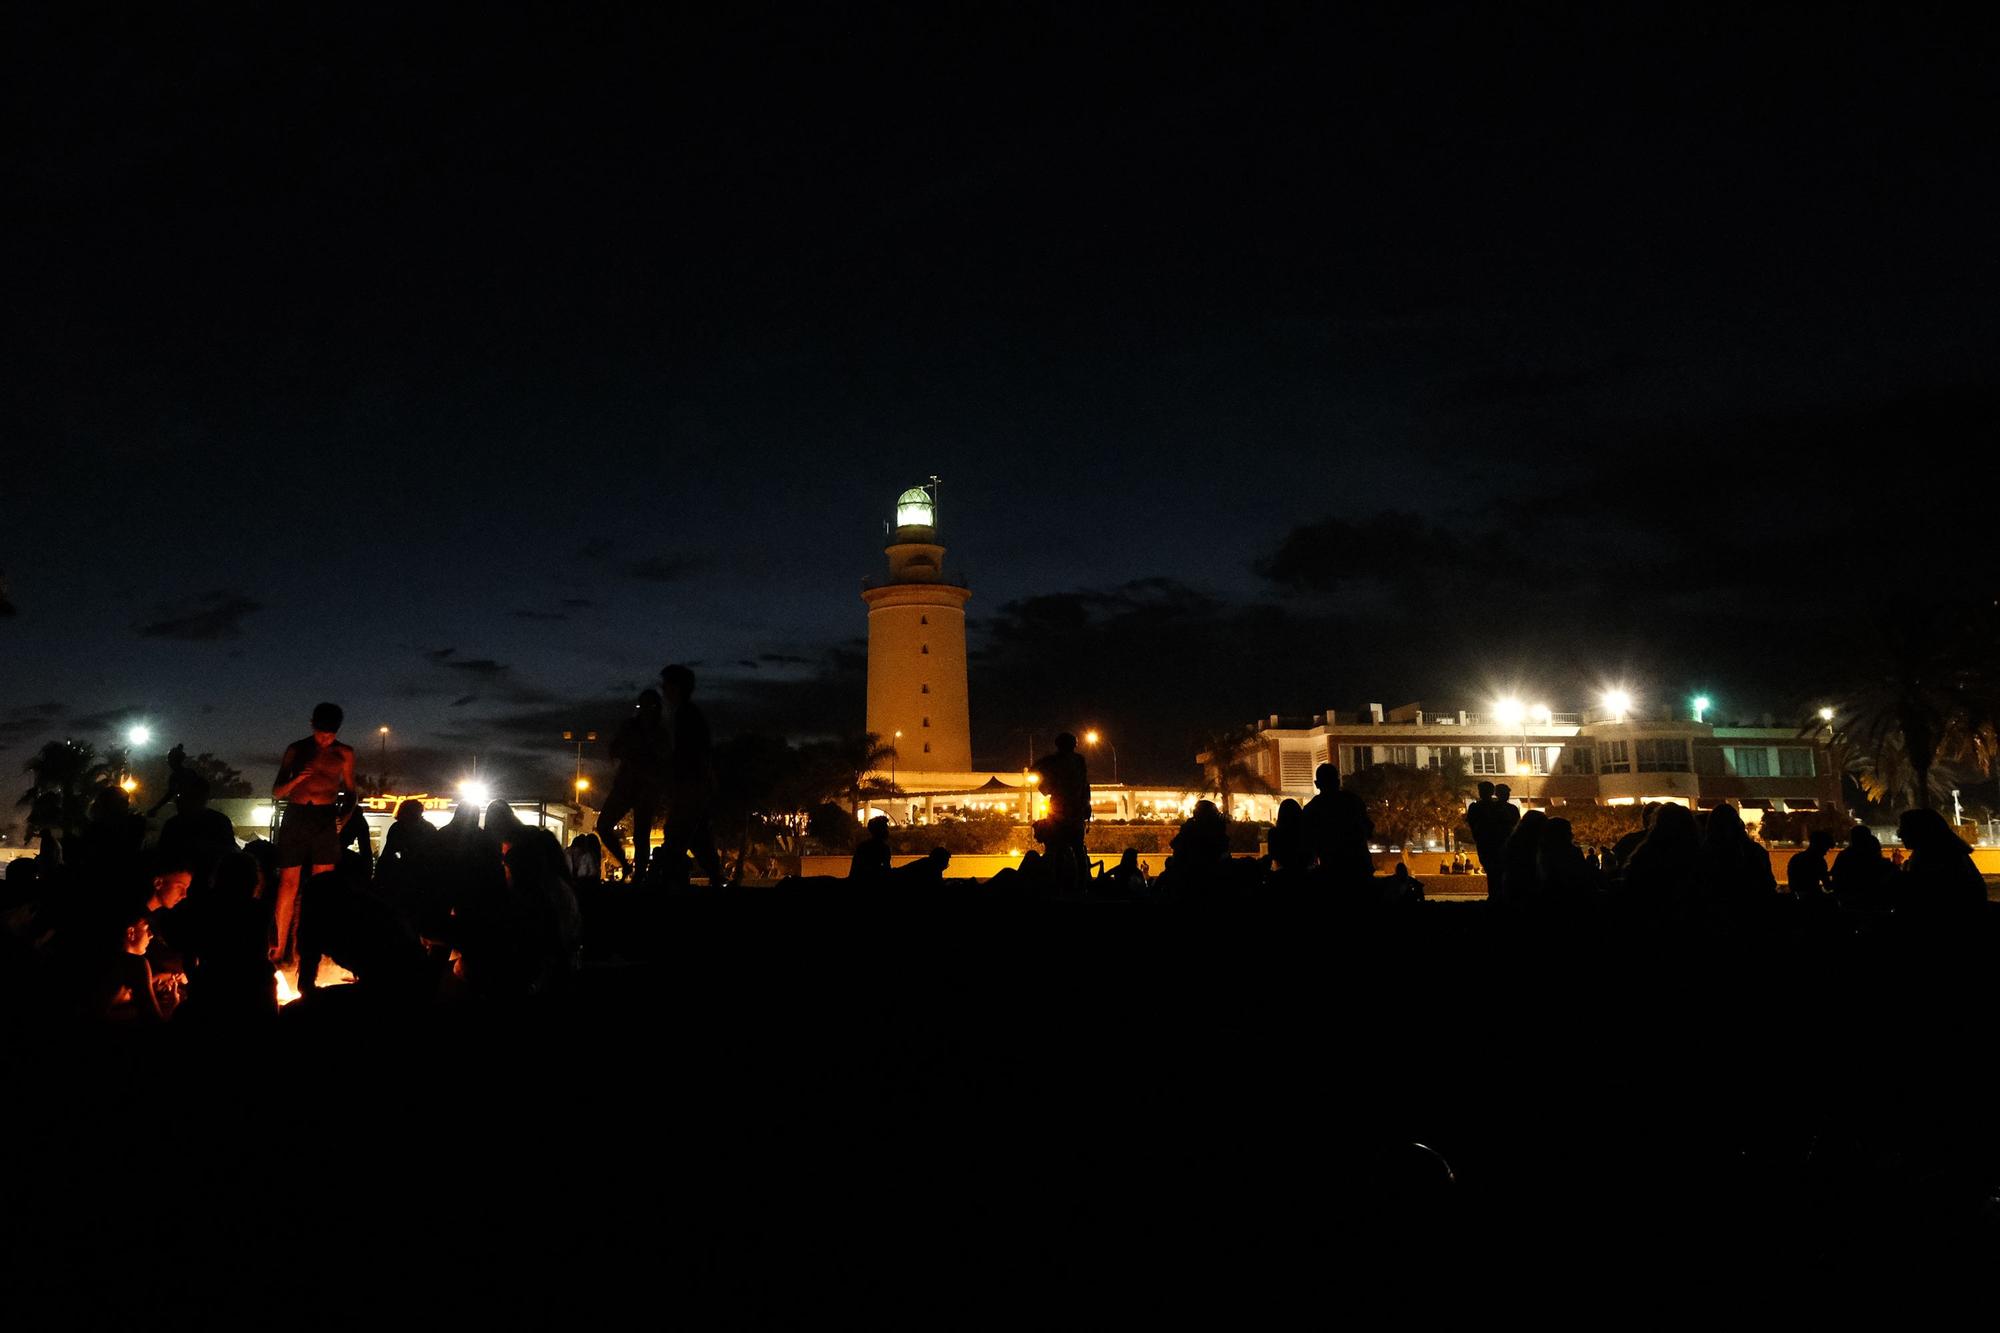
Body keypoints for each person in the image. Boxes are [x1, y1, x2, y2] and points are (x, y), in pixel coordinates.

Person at [270, 703, 355, 965]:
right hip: (297, 815)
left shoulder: (345, 753)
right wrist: (297, 779)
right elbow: (277, 791)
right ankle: (277, 949)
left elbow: (351, 792)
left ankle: (313, 952)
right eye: (321, 734)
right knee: (288, 884)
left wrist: (343, 817)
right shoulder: (297, 749)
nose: (325, 739)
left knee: (323, 887)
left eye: (330, 735)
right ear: (312, 726)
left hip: (325, 817)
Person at [657, 665, 728, 887]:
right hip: (695, 784)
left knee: (677, 833)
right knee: (697, 837)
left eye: (666, 684)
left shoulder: (685, 714)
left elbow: (690, 752)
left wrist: (679, 780)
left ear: (676, 687)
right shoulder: (688, 713)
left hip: (691, 784)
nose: (663, 689)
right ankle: (716, 878)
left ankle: (667, 881)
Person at [598, 689, 667, 878]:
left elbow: (665, 760)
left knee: (641, 835)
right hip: (626, 784)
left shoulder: (660, 733)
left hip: (647, 787)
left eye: (650, 706)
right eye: (642, 706)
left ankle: (639, 877)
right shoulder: (630, 726)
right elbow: (615, 748)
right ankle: (627, 865)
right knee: (604, 825)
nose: (645, 710)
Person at [1893, 808, 1986, 928]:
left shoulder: (1933, 859)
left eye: (1903, 828)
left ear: (1920, 830)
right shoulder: (1952, 853)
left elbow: (1922, 898)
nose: (1899, 834)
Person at [157, 774, 239, 891]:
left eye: (183, 795)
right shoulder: (219, 821)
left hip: (194, 888)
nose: (178, 800)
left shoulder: (174, 825)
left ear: (201, 797)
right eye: (179, 795)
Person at [1032, 733, 1092, 890]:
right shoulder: (1079, 761)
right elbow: (1086, 785)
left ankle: (1059, 886)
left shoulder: (1054, 762)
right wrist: (1086, 805)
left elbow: (1044, 786)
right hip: (1076, 813)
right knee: (1079, 851)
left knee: (1057, 851)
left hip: (1058, 814)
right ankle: (1082, 886)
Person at [1303, 764, 1373, 883]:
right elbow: (1368, 830)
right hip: (1359, 869)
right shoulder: (1353, 801)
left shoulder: (1312, 809)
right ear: (1337, 782)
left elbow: (1308, 843)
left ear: (1317, 784)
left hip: (1331, 871)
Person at [1830, 826, 1893, 913]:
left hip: (1850, 902)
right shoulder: (1873, 853)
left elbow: (1837, 876)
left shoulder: (1845, 855)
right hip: (1873, 902)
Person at [1786, 830, 1837, 902]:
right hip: (1813, 899)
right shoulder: (1819, 861)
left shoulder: (1796, 858)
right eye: (1826, 848)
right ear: (1821, 846)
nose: (1826, 853)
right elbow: (1828, 886)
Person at [145, 743, 191, 819]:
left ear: (173, 760)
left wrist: (155, 808)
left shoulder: (175, 776)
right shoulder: (190, 772)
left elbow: (170, 794)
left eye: (169, 759)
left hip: (186, 810)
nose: (168, 762)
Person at [850, 816, 893, 887]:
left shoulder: (862, 846)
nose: (887, 831)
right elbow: (887, 869)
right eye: (885, 828)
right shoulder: (884, 848)